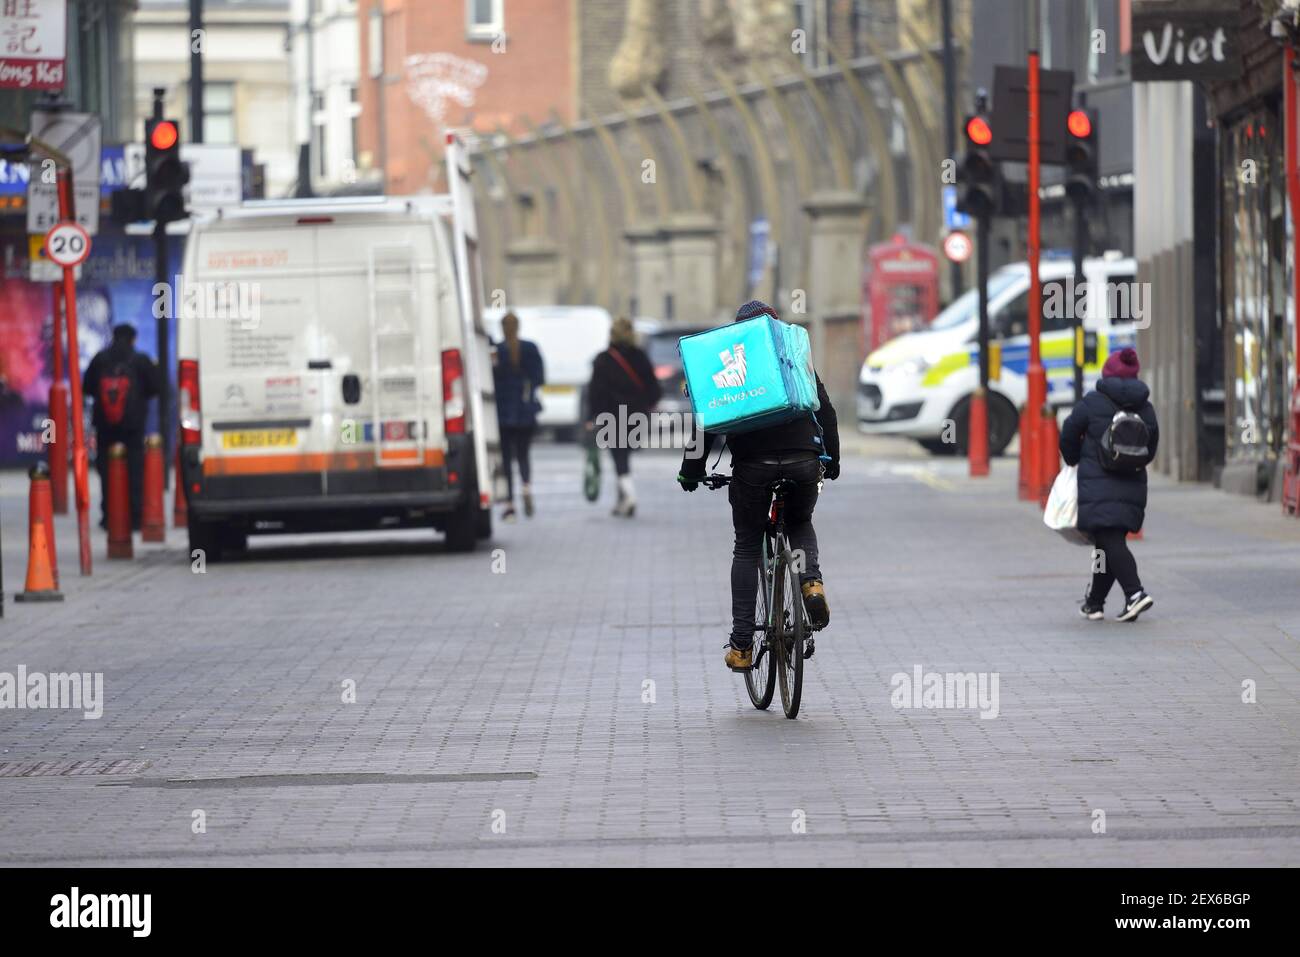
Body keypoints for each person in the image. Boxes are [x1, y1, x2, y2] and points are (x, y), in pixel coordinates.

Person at [677, 300, 840, 672]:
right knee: (799, 522)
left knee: (748, 545)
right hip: (804, 460)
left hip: (754, 468)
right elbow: (825, 410)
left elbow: (707, 423)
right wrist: (833, 461)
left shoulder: (729, 365)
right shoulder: (791, 359)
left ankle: (742, 646)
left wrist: (691, 471)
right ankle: (811, 584)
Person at [1060, 346, 1159, 622]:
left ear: (1107, 373)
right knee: (1107, 543)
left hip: (1097, 485)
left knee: (1110, 541)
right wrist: (1131, 462)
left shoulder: (1093, 402)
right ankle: (1094, 603)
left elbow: (1068, 432)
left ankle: (1135, 593)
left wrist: (1073, 459)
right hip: (1132, 486)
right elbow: (1151, 448)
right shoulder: (1146, 407)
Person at [82, 324, 161, 530]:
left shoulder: (100, 359)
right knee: (135, 470)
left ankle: (109, 516)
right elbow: (156, 387)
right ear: (133, 339)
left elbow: (87, 387)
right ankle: (135, 517)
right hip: (133, 426)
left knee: (106, 470)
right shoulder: (140, 360)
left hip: (105, 425)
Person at [586, 316, 661, 517]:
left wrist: (592, 416)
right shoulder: (640, 356)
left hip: (611, 414)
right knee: (624, 454)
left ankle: (629, 496)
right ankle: (621, 501)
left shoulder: (603, 359)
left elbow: (595, 391)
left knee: (618, 456)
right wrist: (650, 404)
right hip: (637, 414)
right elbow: (653, 385)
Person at [492, 311, 545, 522]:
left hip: (503, 412)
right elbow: (540, 378)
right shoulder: (530, 349)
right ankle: (526, 486)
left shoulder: (496, 351)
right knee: (523, 455)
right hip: (525, 411)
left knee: (505, 459)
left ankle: (509, 505)